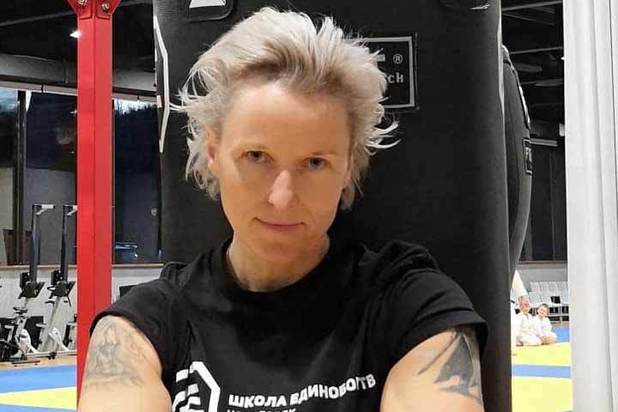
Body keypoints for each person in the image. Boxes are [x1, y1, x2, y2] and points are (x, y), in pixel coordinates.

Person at [78, 8, 487, 412]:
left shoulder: (412, 308)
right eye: (257, 157)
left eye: (315, 163)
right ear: (213, 152)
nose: (282, 198)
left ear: (348, 167)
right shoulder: (142, 330)